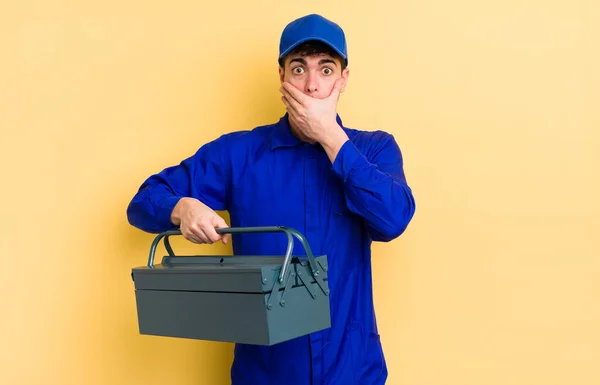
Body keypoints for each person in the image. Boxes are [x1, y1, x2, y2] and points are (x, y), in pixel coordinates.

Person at [127, 13, 416, 385]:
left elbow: (393, 220)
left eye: (326, 70)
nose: (312, 85)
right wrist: (181, 208)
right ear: (281, 77)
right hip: (265, 373)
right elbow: (144, 200)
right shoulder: (238, 154)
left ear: (343, 79)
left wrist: (331, 138)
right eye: (299, 69)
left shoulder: (374, 150)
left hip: (353, 370)